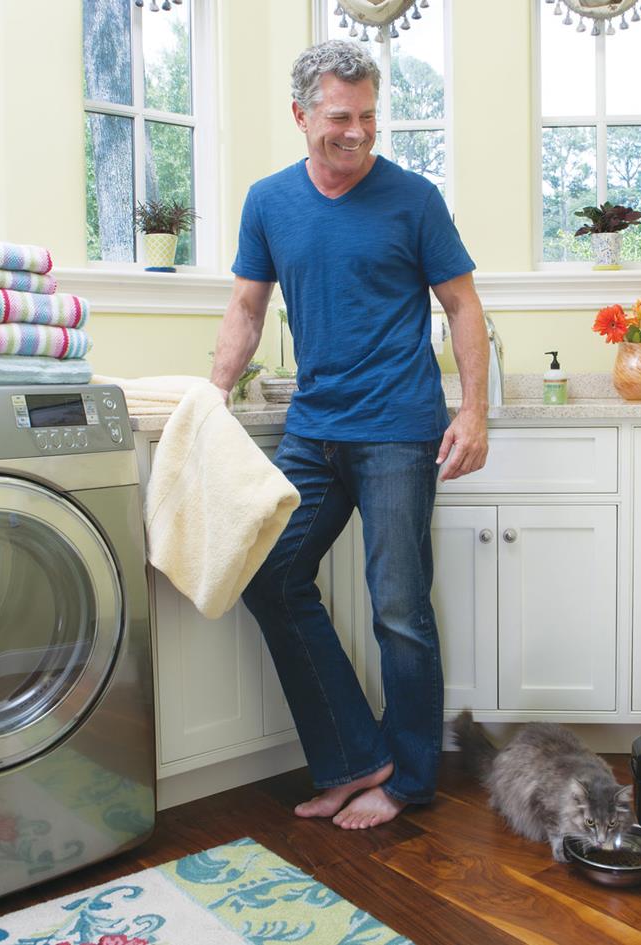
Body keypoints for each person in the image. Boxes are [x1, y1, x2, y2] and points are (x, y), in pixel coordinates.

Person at [210, 39, 488, 830]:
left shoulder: (415, 199)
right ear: (300, 115)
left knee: (399, 608)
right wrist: (213, 393)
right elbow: (245, 308)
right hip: (314, 430)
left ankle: (410, 781)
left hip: (400, 430)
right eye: (340, 116)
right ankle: (355, 756)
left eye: (369, 115)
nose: (358, 131)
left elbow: (464, 306)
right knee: (270, 578)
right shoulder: (269, 202)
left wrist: (473, 410)